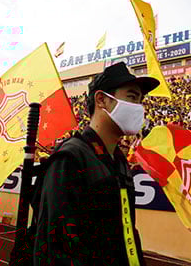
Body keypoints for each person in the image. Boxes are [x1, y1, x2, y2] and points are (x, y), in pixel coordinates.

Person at [31, 62, 160, 265]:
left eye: (141, 100)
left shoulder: (119, 161)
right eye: (132, 97)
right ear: (102, 100)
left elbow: (126, 232)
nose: (139, 108)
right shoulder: (70, 158)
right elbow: (56, 249)